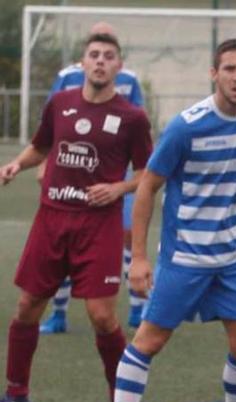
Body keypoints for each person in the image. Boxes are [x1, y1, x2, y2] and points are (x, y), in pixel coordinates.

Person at [104, 38, 236, 402]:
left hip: (232, 257)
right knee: (150, 341)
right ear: (214, 74)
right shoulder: (187, 127)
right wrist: (140, 257)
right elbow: (148, 186)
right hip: (185, 257)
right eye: (230, 69)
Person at [0, 33, 153, 402]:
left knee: (102, 316)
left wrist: (119, 187)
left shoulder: (132, 118)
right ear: (82, 64)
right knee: (27, 306)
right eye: (94, 55)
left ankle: (124, 399)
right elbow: (41, 146)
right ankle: (17, 394)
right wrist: (18, 164)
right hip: (51, 218)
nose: (100, 62)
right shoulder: (60, 104)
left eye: (108, 56)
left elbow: (149, 174)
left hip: (98, 225)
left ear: (119, 67)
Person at [39, 21, 149, 335]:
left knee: (128, 234)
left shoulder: (129, 80)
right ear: (85, 53)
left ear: (118, 56)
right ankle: (58, 314)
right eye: (95, 51)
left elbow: (138, 122)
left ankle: (137, 310)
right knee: (62, 240)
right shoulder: (66, 78)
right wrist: (45, 164)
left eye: (109, 49)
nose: (101, 59)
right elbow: (51, 125)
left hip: (115, 170)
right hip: (70, 167)